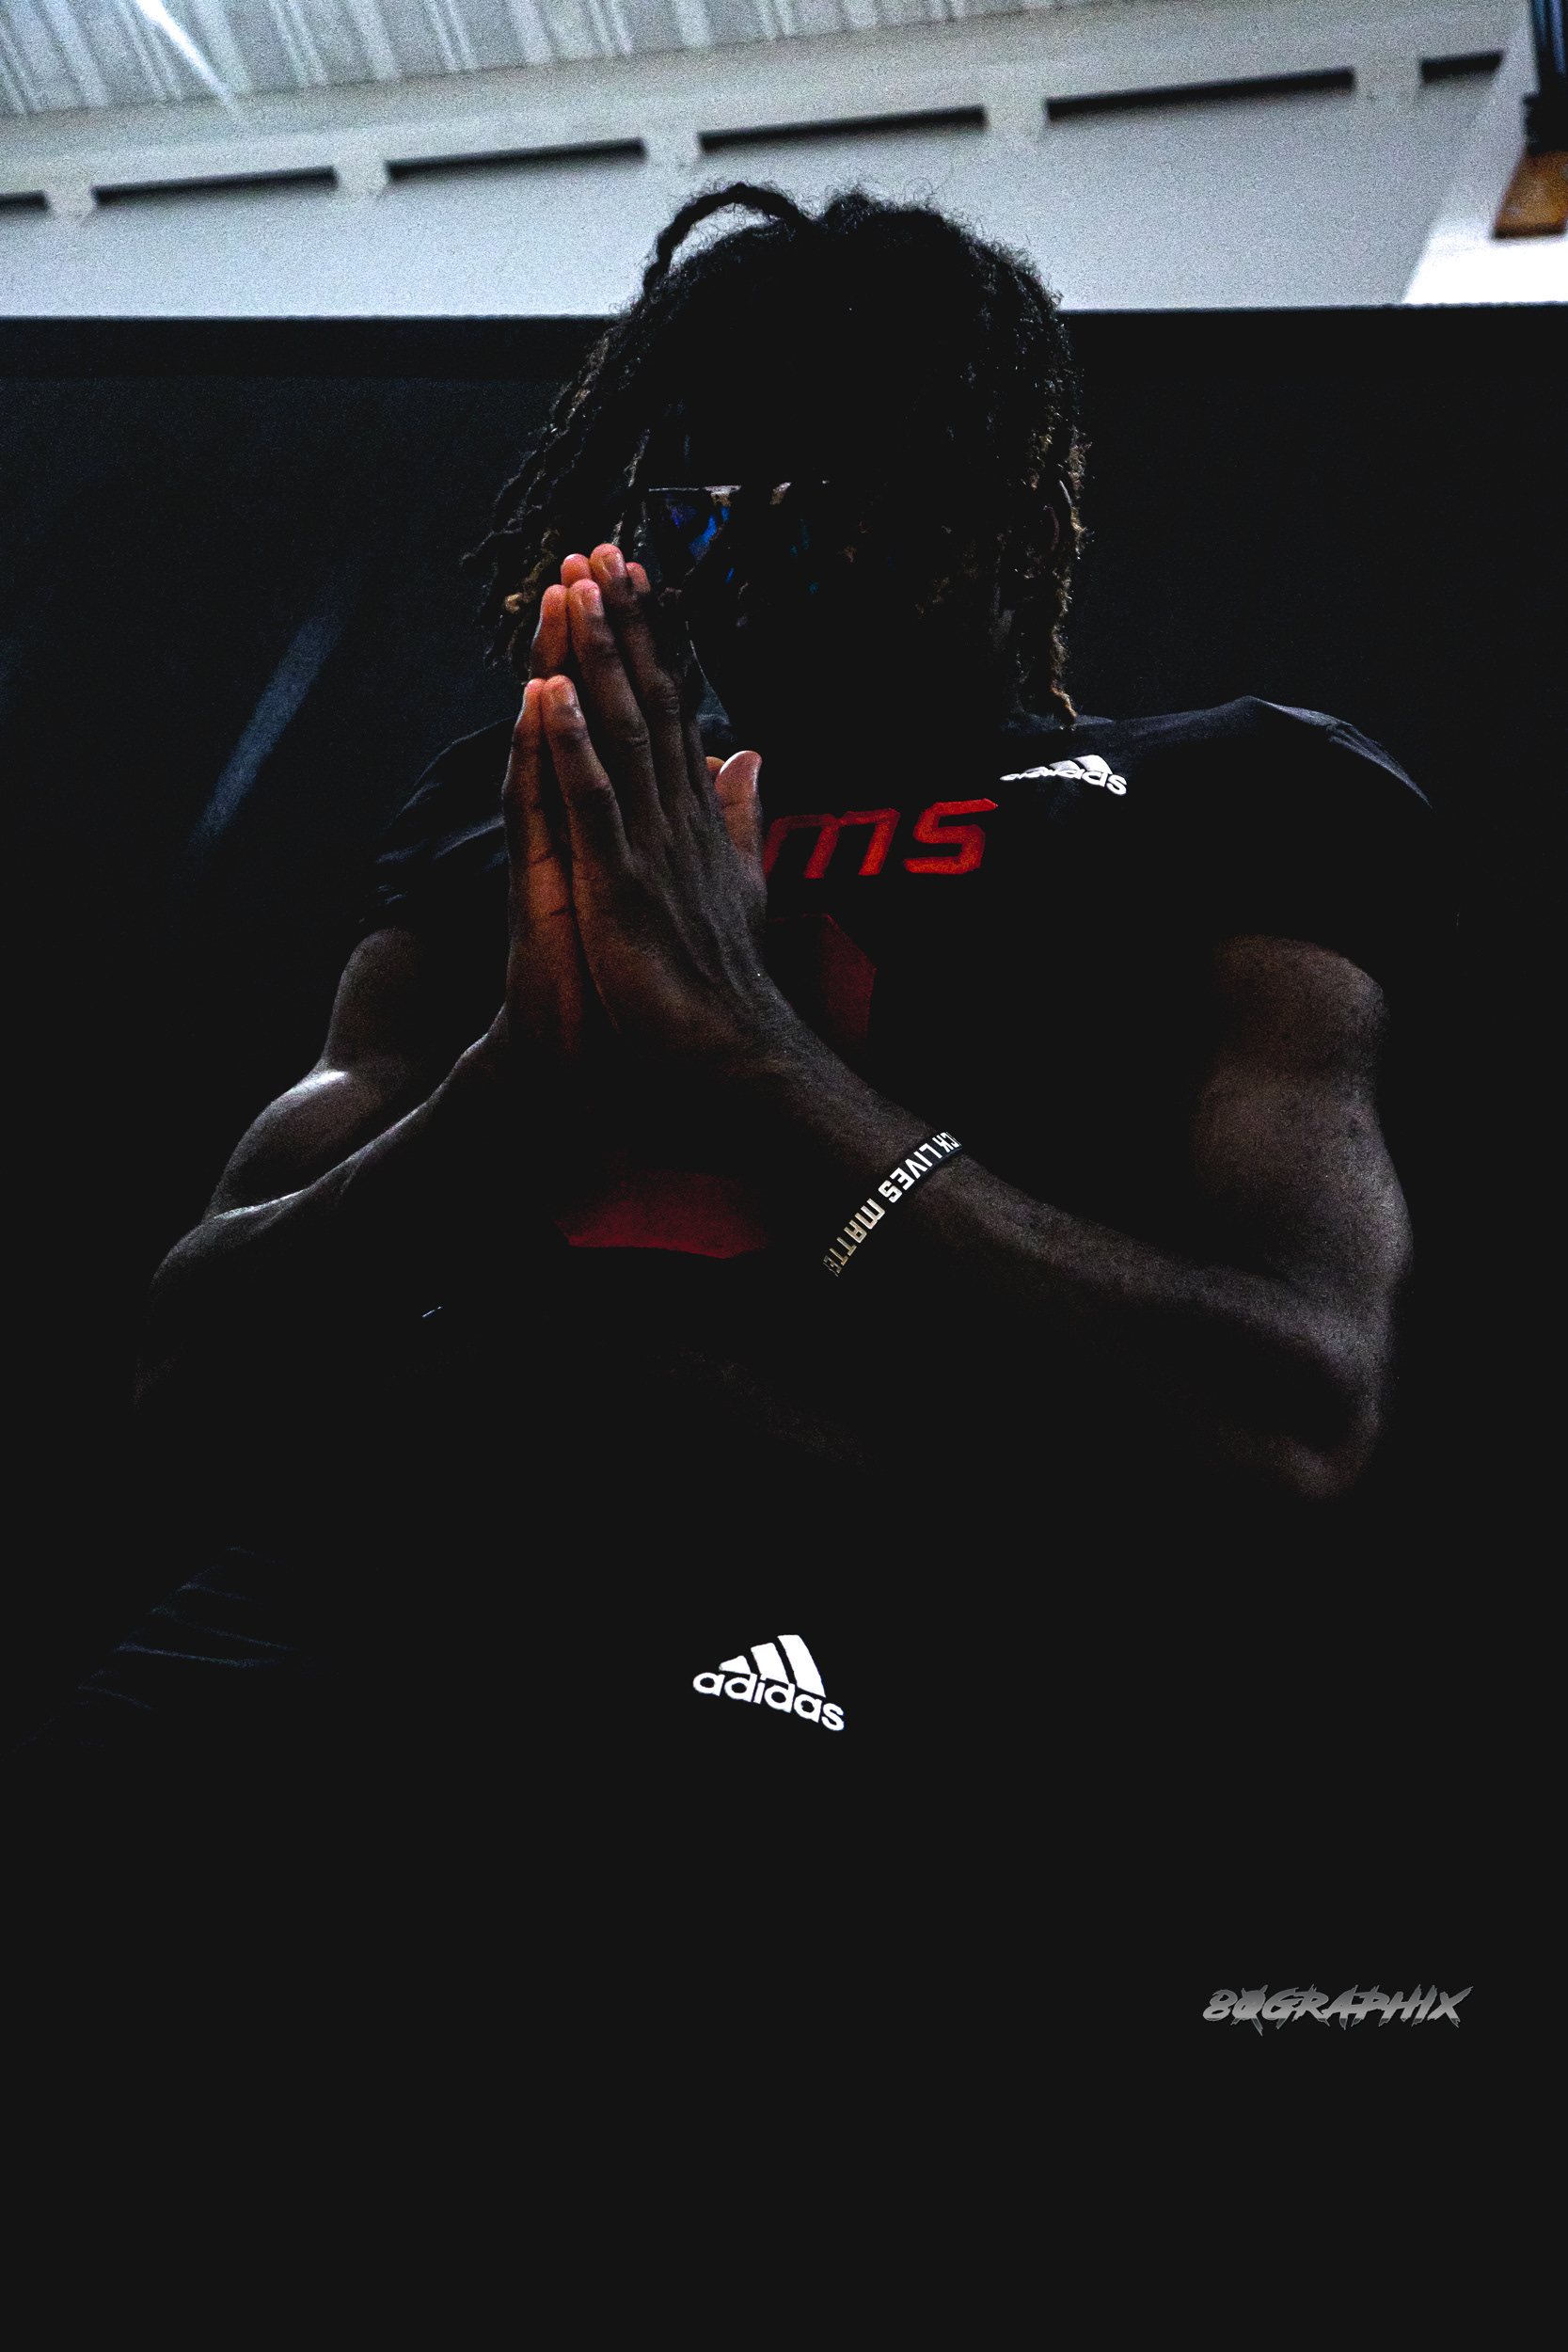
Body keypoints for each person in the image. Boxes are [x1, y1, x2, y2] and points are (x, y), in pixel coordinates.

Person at [28, 189, 1449, 1946]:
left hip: (865, 1658)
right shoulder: (536, 797)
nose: (758, 545)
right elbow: (191, 1361)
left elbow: (1292, 1409)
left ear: (996, 496)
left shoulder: (1228, 791)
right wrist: (517, 1092)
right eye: (703, 496)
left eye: (834, 486)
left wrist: (758, 1066)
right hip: (348, 1614)